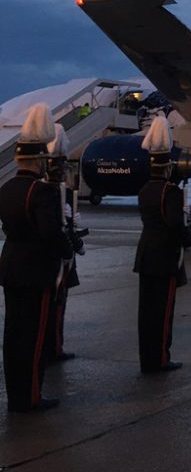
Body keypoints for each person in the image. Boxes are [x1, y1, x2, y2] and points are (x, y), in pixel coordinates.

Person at [1, 104, 73, 412]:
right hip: (36, 270)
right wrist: (68, 249)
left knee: (13, 334)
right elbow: (50, 233)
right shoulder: (41, 192)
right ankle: (30, 396)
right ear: (40, 159)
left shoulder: (6, 188)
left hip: (11, 266)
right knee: (33, 336)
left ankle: (16, 394)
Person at [134, 114, 191, 374]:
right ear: (168, 165)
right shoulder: (171, 192)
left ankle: (148, 357)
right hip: (165, 256)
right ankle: (160, 358)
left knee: (146, 312)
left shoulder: (145, 189)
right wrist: (188, 239)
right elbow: (174, 223)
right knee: (163, 311)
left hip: (146, 254)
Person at [44, 123, 86, 363]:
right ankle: (54, 348)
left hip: (42, 262)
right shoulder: (52, 193)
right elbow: (57, 229)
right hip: (54, 261)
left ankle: (51, 346)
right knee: (56, 306)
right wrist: (73, 245)